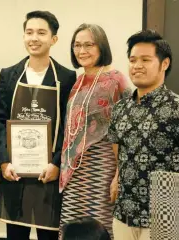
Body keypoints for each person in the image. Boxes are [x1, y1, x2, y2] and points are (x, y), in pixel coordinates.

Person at [108, 29, 179, 240]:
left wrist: (175, 207)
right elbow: (120, 155)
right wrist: (117, 178)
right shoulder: (120, 108)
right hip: (124, 215)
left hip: (164, 219)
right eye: (132, 60)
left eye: (146, 60)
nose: (137, 66)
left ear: (164, 64)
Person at [0, 10, 77, 240]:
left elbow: (68, 127)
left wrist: (57, 163)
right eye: (29, 32)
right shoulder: (9, 75)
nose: (34, 38)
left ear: (54, 39)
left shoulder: (67, 77)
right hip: (15, 171)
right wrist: (3, 161)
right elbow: (0, 121)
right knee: (15, 234)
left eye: (41, 33)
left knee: (48, 235)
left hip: (48, 173)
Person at [59, 23, 131, 239]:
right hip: (73, 169)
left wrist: (118, 175)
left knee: (97, 228)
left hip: (102, 165)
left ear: (101, 47)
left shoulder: (116, 79)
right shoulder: (77, 81)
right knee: (70, 227)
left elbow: (128, 129)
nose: (82, 51)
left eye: (89, 45)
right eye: (77, 45)